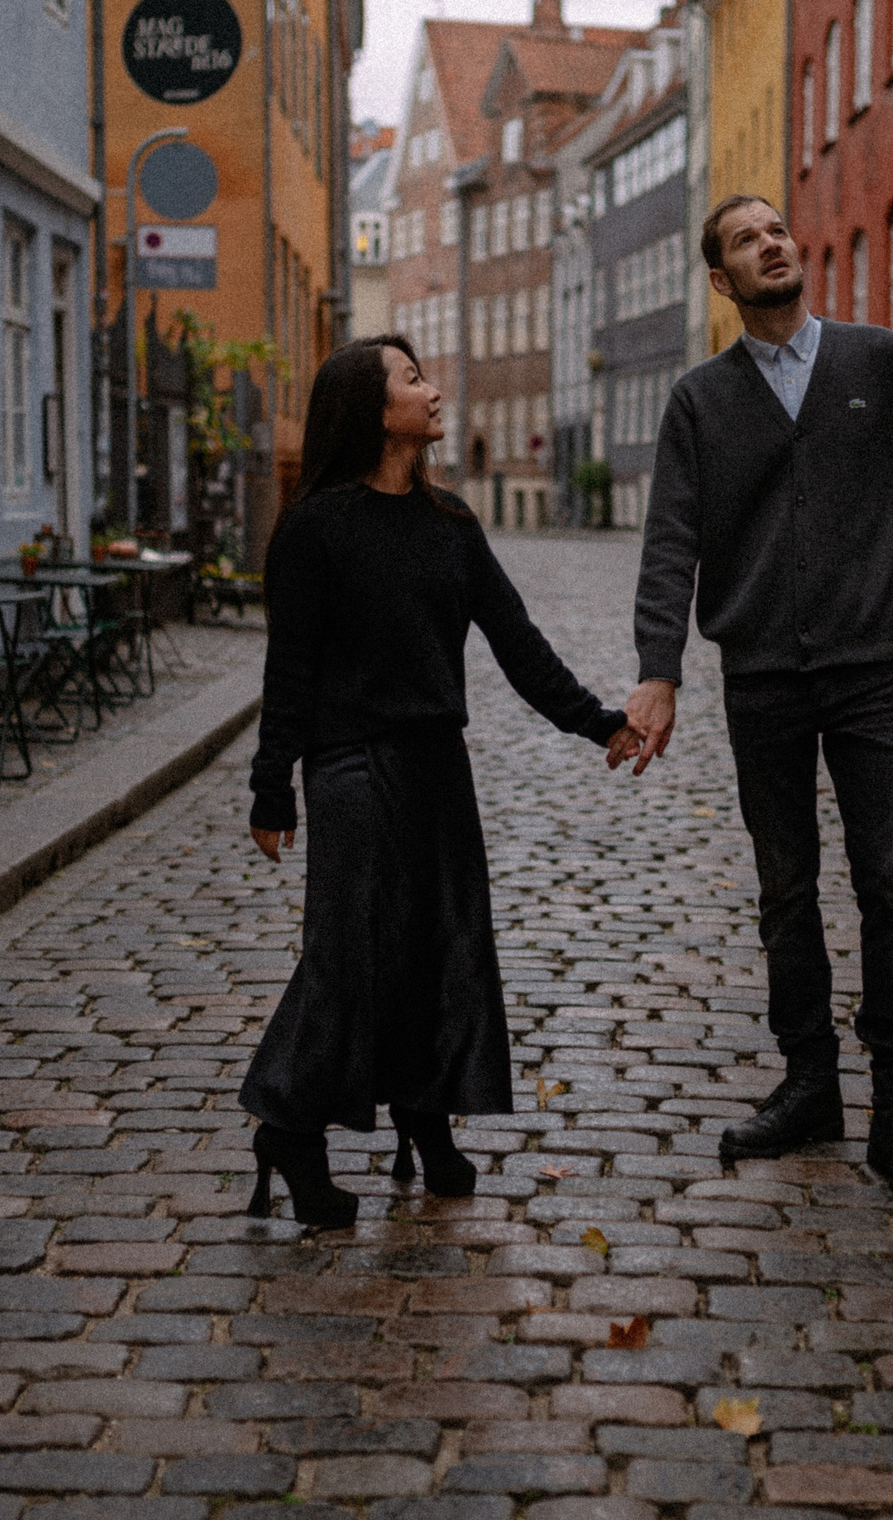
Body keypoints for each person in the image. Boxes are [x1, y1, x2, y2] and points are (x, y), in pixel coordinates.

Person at [621, 195, 893, 1207]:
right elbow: (671, 540)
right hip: (762, 678)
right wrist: (659, 667)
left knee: (888, 879)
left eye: (778, 229)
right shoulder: (700, 400)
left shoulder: (879, 360)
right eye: (747, 240)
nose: (771, 243)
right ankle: (810, 1083)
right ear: (722, 280)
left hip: (869, 670)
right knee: (785, 885)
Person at [244, 334, 641, 1228]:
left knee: (441, 948)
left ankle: (423, 1118)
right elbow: (289, 672)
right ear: (373, 409)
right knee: (348, 957)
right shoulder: (316, 528)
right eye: (412, 378)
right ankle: (290, 1127)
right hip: (351, 767)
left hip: (436, 767)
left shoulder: (451, 523)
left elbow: (518, 643)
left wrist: (600, 722)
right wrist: (273, 788)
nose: (432, 391)